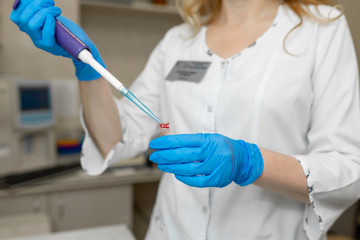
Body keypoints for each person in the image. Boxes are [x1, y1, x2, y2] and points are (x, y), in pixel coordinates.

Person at [11, 0, 360, 239]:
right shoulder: (178, 41)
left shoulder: (321, 29)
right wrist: (88, 68)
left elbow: (347, 168)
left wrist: (249, 162)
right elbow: (117, 137)